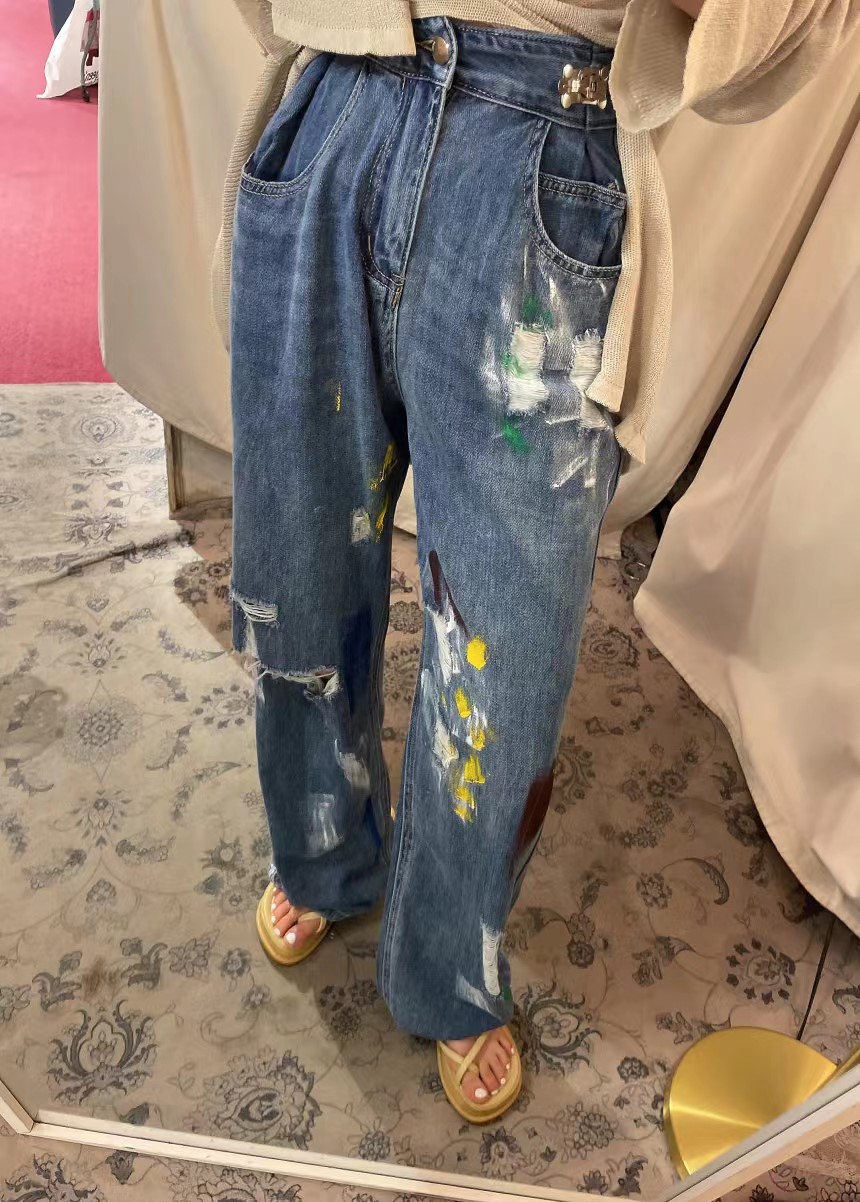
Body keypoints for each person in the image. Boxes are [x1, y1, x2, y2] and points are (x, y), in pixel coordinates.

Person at [217, 0, 857, 1123]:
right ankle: (321, 849)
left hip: (543, 144)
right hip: (337, 94)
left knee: (502, 665)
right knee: (296, 571)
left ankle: (446, 960)